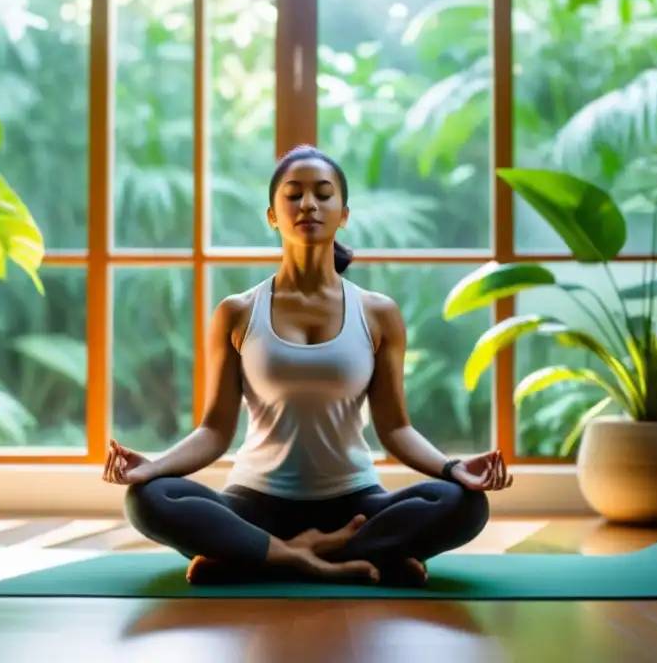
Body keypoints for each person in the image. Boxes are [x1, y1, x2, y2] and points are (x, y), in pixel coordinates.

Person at [102, 144, 513, 586]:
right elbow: (215, 431)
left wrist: (454, 469)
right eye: (293, 195)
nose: (309, 204)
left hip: (352, 504)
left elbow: (395, 429)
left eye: (323, 193)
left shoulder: (377, 313)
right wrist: (154, 467)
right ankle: (344, 555)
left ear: (344, 214)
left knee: (465, 504)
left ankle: (255, 557)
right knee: (148, 498)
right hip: (254, 503)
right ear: (272, 215)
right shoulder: (238, 312)